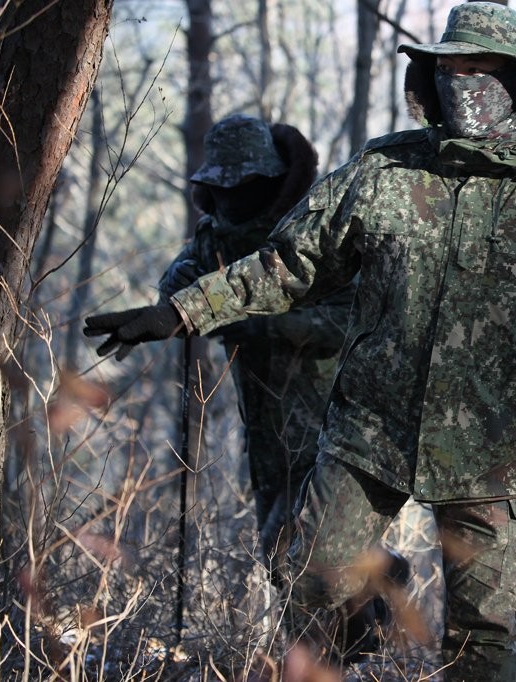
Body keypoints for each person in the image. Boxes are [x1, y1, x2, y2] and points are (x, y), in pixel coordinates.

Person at [84, 4, 516, 679]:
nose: (464, 85)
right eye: (451, 70)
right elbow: (289, 265)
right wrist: (181, 312)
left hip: (493, 453)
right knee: (308, 579)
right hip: (368, 437)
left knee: (481, 642)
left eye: (483, 71)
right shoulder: (384, 173)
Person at [155, 114, 408, 662]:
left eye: (242, 188)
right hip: (266, 427)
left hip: (331, 424)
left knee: (291, 548)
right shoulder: (217, 240)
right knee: (285, 551)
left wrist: (265, 323)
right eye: (219, 189)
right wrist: (184, 303)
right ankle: (361, 613)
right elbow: (176, 286)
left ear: (268, 181)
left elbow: (352, 319)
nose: (230, 201)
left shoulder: (313, 232)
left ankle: (326, 650)